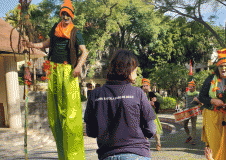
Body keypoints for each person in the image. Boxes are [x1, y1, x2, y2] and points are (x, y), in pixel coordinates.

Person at [22, 0, 88, 159]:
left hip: (69, 72)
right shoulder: (55, 28)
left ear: (71, 16)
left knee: (70, 116)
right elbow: (46, 43)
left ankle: (75, 157)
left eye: (68, 14)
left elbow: (84, 52)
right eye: (63, 13)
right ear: (61, 15)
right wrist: (31, 44)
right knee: (55, 116)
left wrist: (78, 66)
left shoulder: (75, 32)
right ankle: (63, 157)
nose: (65, 16)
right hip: (53, 70)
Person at [84, 49, 156, 160]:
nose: (136, 75)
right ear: (129, 69)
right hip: (137, 153)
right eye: (136, 71)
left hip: (107, 155)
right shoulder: (138, 93)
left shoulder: (95, 95)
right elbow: (151, 130)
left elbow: (91, 131)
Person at [142, 78, 163, 151]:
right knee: (144, 129)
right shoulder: (140, 93)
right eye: (143, 86)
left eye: (146, 85)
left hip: (152, 114)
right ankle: (146, 145)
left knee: (155, 130)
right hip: (142, 114)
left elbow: (159, 100)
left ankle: (158, 144)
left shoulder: (152, 93)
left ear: (149, 86)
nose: (145, 87)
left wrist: (155, 101)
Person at [183, 80, 200, 145]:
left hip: (194, 111)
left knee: (193, 126)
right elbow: (185, 100)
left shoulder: (197, 94)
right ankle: (189, 136)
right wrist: (184, 104)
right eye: (188, 86)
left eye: (190, 87)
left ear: (193, 87)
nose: (189, 88)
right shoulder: (187, 93)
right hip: (187, 111)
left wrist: (197, 100)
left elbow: (201, 103)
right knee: (185, 125)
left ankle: (193, 140)